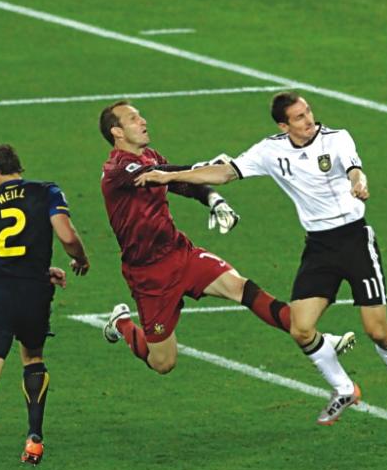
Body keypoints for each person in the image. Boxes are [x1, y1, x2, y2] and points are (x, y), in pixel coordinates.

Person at [135, 93, 387, 425]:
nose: (308, 119)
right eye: (299, 117)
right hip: (319, 247)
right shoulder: (270, 151)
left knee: (377, 330)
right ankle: (344, 388)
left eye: (308, 111)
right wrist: (169, 176)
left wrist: (359, 183)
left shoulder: (336, 139)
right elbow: (225, 173)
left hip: (355, 240)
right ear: (284, 126)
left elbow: (355, 170)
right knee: (301, 329)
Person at [97, 100, 353, 377]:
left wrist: (214, 199)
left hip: (179, 253)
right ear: (117, 132)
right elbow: (158, 176)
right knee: (163, 363)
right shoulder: (116, 170)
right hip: (148, 275)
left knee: (240, 287)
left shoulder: (150, 157)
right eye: (133, 119)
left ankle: (317, 340)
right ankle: (121, 323)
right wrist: (207, 166)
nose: (143, 121)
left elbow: (181, 182)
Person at [0, 143, 91, 465]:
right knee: (33, 359)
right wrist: (79, 258)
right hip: (34, 292)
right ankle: (34, 439)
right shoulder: (46, 191)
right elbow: (67, 236)